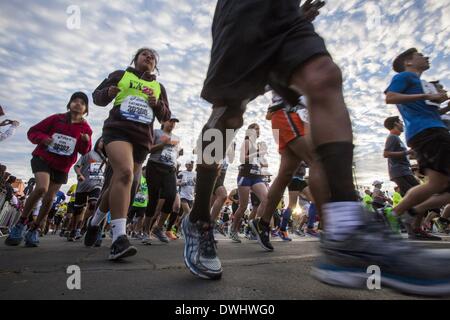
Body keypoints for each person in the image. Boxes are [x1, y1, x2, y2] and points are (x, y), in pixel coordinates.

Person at [85, 48, 171, 260]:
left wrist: (157, 105)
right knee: (124, 174)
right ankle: (118, 239)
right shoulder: (120, 74)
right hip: (117, 131)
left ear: (155, 65)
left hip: (142, 138)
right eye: (145, 54)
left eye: (152, 57)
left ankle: (95, 222)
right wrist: (108, 93)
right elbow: (96, 97)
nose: (149, 58)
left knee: (120, 181)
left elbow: (166, 116)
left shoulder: (158, 87)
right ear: (136, 59)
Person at [5, 92, 92, 247]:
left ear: (86, 109)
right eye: (75, 101)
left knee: (49, 198)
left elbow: (84, 152)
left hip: (62, 167)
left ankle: (35, 228)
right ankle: (21, 223)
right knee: (41, 188)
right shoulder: (56, 118)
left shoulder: (85, 128)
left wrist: (85, 142)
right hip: (43, 159)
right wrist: (43, 139)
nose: (78, 104)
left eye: (82, 103)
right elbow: (33, 131)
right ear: (69, 104)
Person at [142, 116, 180, 244]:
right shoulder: (156, 132)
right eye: (170, 121)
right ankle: (146, 231)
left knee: (171, 196)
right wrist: (163, 144)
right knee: (153, 198)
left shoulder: (176, 138)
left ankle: (158, 228)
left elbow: (174, 154)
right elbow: (148, 149)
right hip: (154, 166)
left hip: (170, 169)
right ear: (163, 121)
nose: (172, 124)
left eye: (174, 122)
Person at [68, 138, 106, 241]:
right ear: (98, 142)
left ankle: (84, 226)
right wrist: (79, 174)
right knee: (78, 210)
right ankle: (74, 230)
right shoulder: (89, 153)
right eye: (102, 141)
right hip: (83, 184)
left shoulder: (107, 157)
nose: (104, 143)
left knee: (94, 204)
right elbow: (77, 166)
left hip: (98, 184)